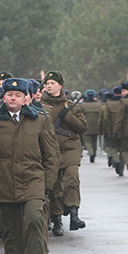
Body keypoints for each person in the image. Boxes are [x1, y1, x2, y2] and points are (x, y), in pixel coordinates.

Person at [0, 78, 58, 254]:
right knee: (12, 233)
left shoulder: (38, 120)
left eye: (18, 95)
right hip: (4, 184)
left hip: (33, 181)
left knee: (34, 220)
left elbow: (51, 155)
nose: (13, 98)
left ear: (26, 98)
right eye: (9, 94)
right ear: (3, 97)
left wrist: (47, 185)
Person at [41, 71, 88, 234]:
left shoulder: (70, 106)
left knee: (72, 179)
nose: (49, 86)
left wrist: (68, 117)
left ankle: (74, 215)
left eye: (52, 83)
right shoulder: (40, 106)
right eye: (47, 83)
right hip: (50, 150)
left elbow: (82, 127)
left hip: (70, 149)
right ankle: (57, 219)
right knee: (53, 185)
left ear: (60, 86)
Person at [80, 89, 100, 163]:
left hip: (86, 125)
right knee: (94, 141)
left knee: (87, 141)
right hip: (96, 125)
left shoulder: (83, 105)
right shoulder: (99, 105)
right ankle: (93, 154)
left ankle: (90, 152)